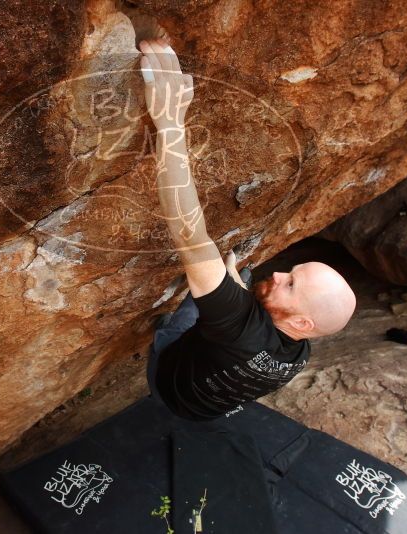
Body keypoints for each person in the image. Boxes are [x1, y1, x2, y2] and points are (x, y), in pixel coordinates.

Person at [138, 38, 356, 421]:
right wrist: (239, 293)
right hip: (210, 401)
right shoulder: (299, 349)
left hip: (168, 381)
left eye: (289, 284)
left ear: (303, 322)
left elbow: (190, 236)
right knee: (246, 275)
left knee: (201, 297)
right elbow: (248, 325)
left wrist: (170, 121)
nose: (278, 273)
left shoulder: (239, 327)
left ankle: (164, 330)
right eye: (291, 272)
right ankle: (222, 297)